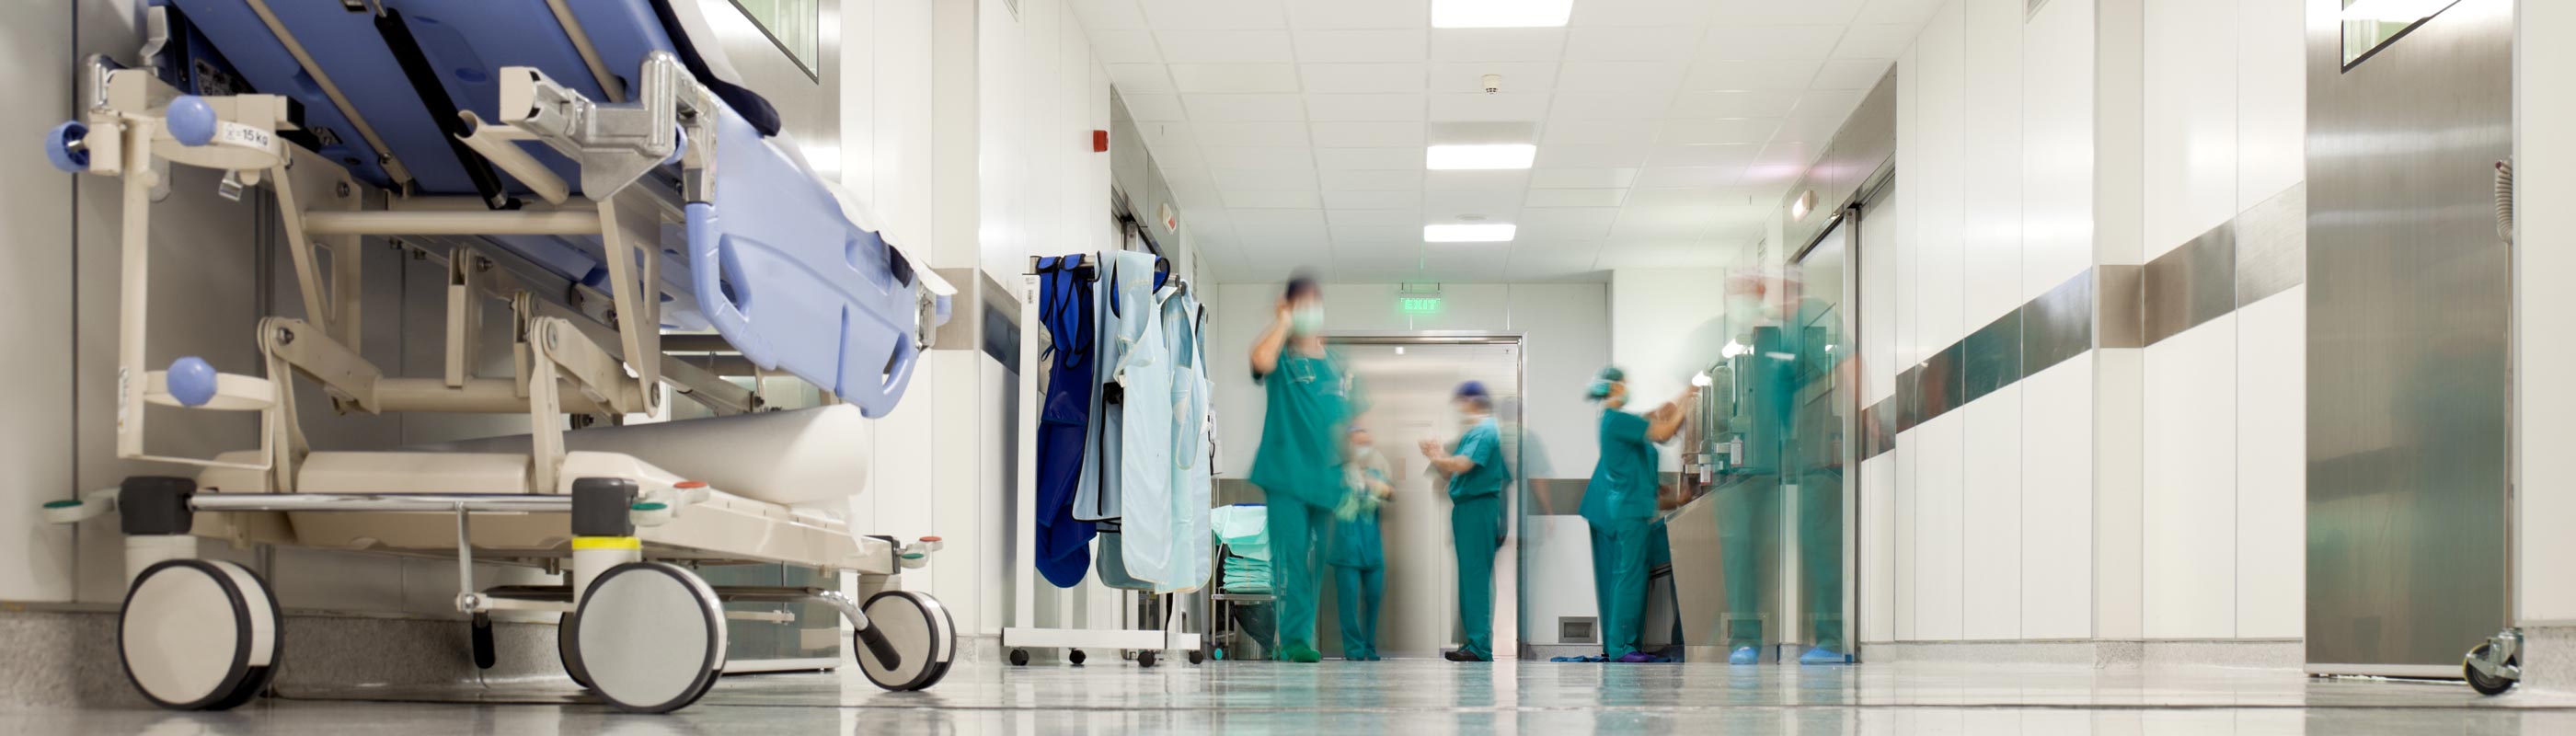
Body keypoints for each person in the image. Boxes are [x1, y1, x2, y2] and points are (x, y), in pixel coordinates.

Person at [1247, 275, 1363, 663]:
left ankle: (1298, 635)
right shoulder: (1280, 353)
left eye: (1317, 302)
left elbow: (1347, 421)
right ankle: (1294, 640)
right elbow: (1259, 360)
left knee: (1314, 565)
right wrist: (1282, 323)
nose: (1312, 310)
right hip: (1286, 476)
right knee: (1292, 557)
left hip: (1325, 481)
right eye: (1303, 304)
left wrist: (1353, 469)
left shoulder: (1335, 362)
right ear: (1290, 308)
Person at [1579, 367, 1693, 663]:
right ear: (1614, 388)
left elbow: (1655, 422)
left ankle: (1624, 645)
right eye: (1624, 383)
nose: (1628, 387)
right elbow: (1664, 431)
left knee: (1628, 576)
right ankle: (1622, 647)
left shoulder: (1619, 421)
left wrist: (1677, 401)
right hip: (1625, 510)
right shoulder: (1617, 420)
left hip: (1630, 508)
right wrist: (1687, 401)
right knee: (1627, 577)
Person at [1420, 381, 1511, 661]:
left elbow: (1462, 465)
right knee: (1471, 578)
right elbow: (1452, 474)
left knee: (1475, 578)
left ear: (1472, 402)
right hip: (1469, 508)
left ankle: (1480, 646)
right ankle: (1475, 642)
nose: (1459, 409)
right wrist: (1439, 459)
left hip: (1477, 508)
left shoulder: (1485, 431)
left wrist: (1436, 455)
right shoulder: (1476, 433)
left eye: (1461, 402)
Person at [1330, 427, 1394, 661]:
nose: (1363, 447)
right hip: (1346, 550)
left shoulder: (1376, 474)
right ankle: (1354, 650)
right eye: (1358, 442)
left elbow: (1390, 493)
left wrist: (1371, 483)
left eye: (1367, 442)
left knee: (1374, 597)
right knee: (1348, 603)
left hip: (1372, 550)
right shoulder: (1336, 474)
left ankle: (1370, 647)